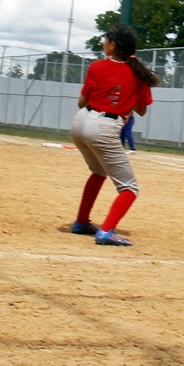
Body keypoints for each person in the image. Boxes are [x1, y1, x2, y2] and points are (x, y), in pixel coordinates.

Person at [68, 23, 160, 247]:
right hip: (105, 126)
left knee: (98, 171)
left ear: (113, 46)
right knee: (129, 188)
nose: (103, 43)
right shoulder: (138, 72)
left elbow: (82, 102)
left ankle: (82, 222)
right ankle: (107, 231)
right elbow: (141, 110)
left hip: (80, 122)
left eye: (106, 40)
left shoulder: (97, 67)